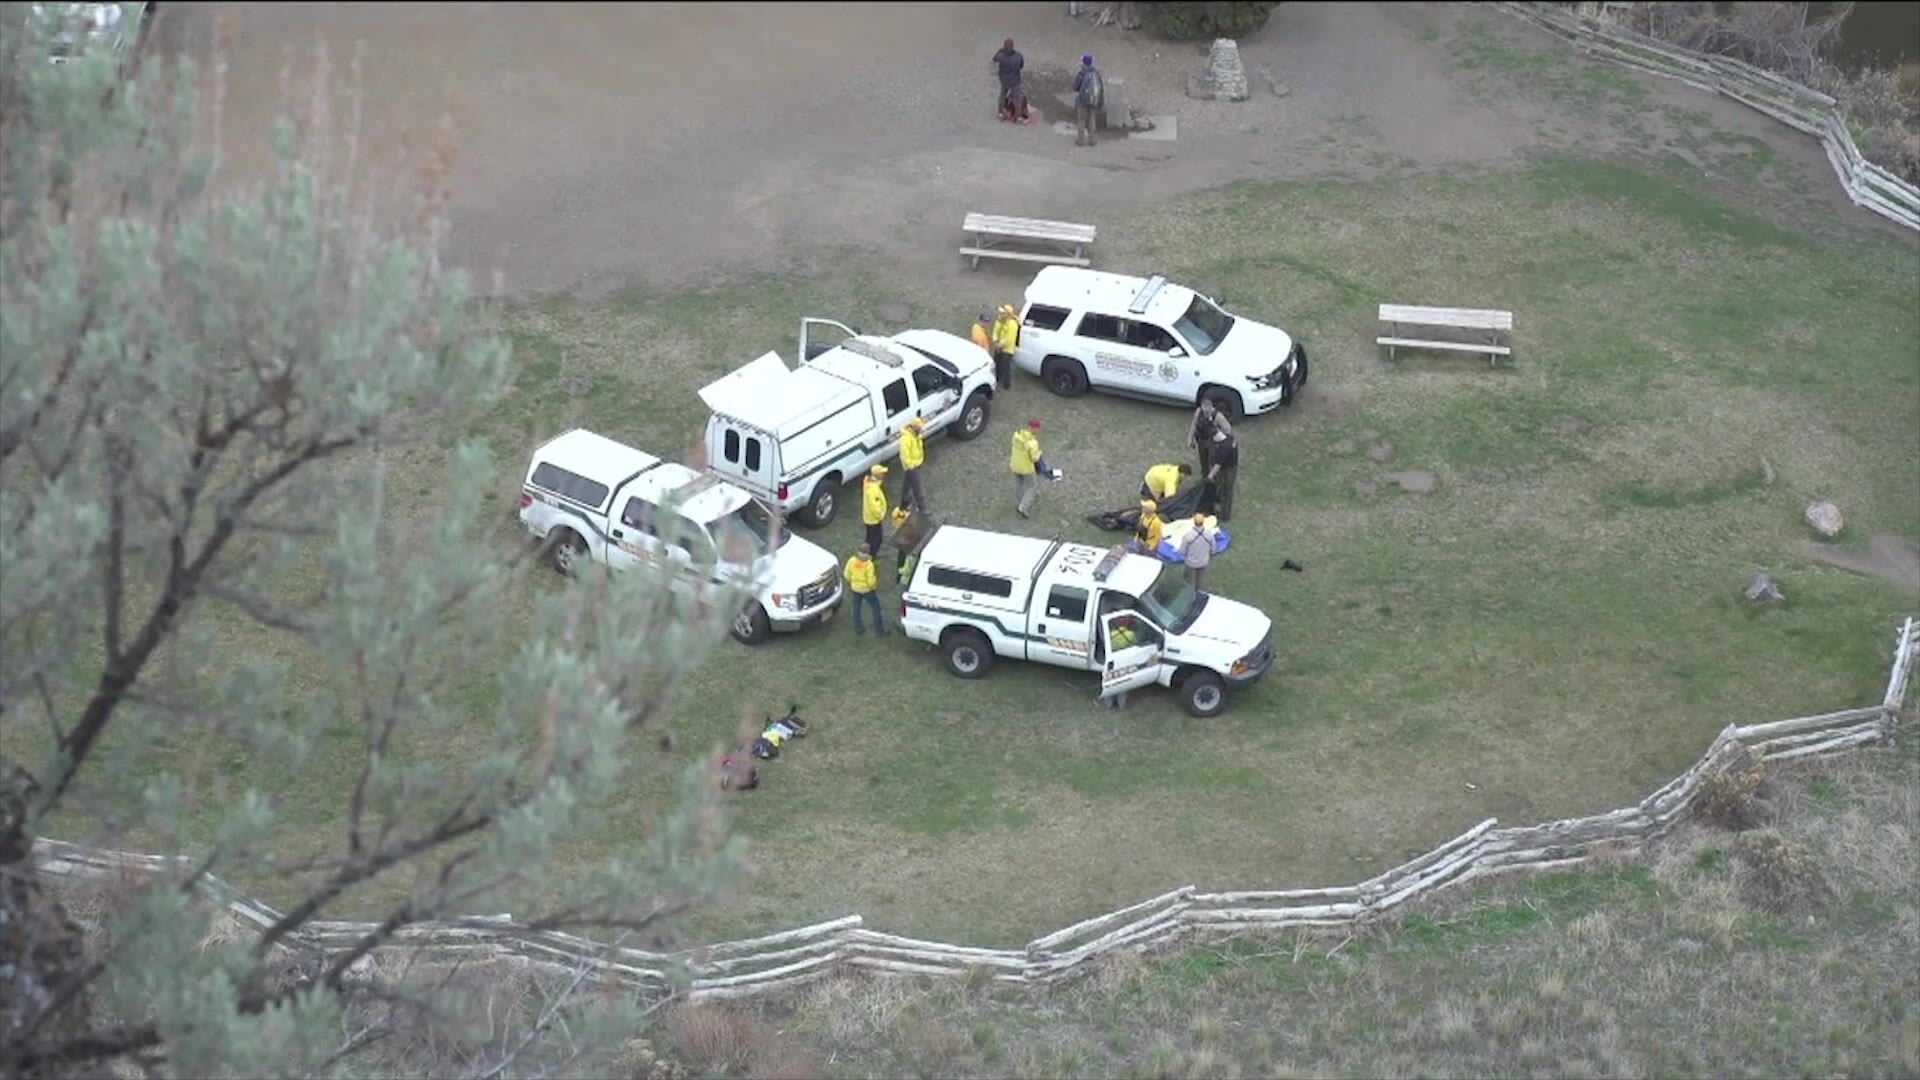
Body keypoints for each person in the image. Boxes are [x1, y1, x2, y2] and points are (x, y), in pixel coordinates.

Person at [844, 542, 887, 637]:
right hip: (867, 590)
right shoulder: (869, 564)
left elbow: (846, 574)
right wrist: (873, 587)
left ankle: (858, 628)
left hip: (855, 588)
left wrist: (851, 582)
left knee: (856, 608)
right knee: (876, 608)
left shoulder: (851, 561)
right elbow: (871, 580)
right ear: (868, 553)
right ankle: (879, 630)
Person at [1010, 418, 1043, 518]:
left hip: (1015, 465)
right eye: (1037, 428)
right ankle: (1023, 507)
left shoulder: (1016, 435)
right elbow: (1034, 459)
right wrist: (1039, 453)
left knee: (1018, 484)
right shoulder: (1032, 443)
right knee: (1032, 486)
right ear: (1034, 428)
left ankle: (1019, 501)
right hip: (1026, 469)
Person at [1205, 429, 1238, 523]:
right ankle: (1218, 505)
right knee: (1221, 488)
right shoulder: (1229, 437)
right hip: (1228, 466)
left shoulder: (1224, 448)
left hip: (1229, 469)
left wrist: (1209, 477)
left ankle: (1225, 515)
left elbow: (1217, 465)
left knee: (1227, 491)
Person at [896, 417, 928, 512]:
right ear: (914, 427)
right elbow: (904, 455)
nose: (921, 429)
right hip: (912, 467)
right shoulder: (906, 438)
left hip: (915, 465)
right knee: (917, 489)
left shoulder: (916, 435)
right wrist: (911, 467)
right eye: (920, 428)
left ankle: (903, 505)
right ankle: (922, 509)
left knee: (907, 486)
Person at [1188, 398, 1225, 477]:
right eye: (1204, 410)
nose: (1205, 412)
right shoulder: (1199, 411)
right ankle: (1204, 478)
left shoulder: (1218, 416)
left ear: (1211, 407)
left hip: (1213, 442)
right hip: (1201, 440)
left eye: (1207, 411)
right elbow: (1194, 424)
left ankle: (1215, 478)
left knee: (1214, 461)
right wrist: (1190, 438)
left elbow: (1227, 429)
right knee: (1203, 461)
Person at [1072, 54, 1103, 147]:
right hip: (1093, 100)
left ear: (1084, 63)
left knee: (1081, 120)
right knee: (1091, 119)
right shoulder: (1096, 73)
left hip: (1082, 101)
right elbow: (1100, 87)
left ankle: (1081, 140)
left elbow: (1075, 87)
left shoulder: (1081, 74)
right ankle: (1092, 140)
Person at [1180, 511, 1213, 593]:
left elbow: (1182, 551)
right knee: (1201, 583)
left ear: (1194, 522)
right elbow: (1213, 548)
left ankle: (1191, 597)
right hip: (1203, 562)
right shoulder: (1209, 534)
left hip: (1191, 563)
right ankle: (1200, 595)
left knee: (1190, 583)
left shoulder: (1188, 536)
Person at [991, 37, 1025, 117]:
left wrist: (1000, 51)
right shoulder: (1018, 56)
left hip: (1004, 80)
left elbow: (994, 59)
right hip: (1015, 81)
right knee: (1017, 99)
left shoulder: (1001, 56)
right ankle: (1018, 115)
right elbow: (1021, 66)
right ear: (1013, 46)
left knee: (1002, 95)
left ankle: (1000, 113)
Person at [990, 304, 1020, 391]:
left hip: (1007, 350)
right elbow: (995, 330)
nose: (1000, 314)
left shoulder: (1013, 324)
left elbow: (1009, 339)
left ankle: (1006, 384)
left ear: (1008, 314)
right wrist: (995, 340)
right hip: (999, 346)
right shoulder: (1000, 320)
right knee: (997, 363)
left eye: (1002, 312)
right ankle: (997, 379)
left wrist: (999, 345)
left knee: (1005, 367)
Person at [861, 464, 889, 555]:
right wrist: (880, 516)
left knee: (870, 538)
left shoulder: (869, 483)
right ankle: (870, 556)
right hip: (873, 519)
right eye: (882, 473)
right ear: (877, 475)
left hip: (868, 517)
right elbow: (874, 506)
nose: (884, 475)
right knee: (876, 540)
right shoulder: (873, 489)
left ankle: (867, 553)